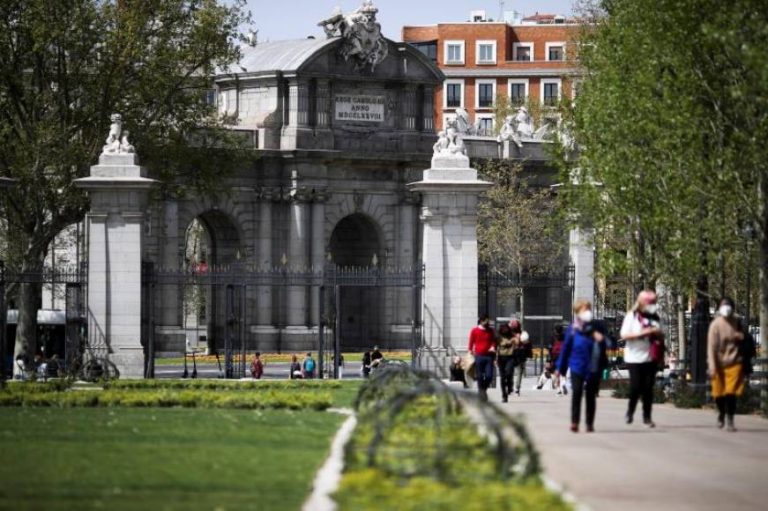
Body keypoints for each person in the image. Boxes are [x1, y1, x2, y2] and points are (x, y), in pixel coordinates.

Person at [557, 299, 608, 433]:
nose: (588, 311)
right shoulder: (572, 329)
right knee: (577, 392)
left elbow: (610, 343)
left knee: (591, 395)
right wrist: (560, 368)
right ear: (578, 311)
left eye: (589, 309)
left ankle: (589, 423)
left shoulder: (597, 327)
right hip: (577, 365)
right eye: (585, 309)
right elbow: (566, 348)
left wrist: (601, 339)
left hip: (593, 365)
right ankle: (575, 422)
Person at [620, 290, 663, 428]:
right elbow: (624, 335)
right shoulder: (631, 316)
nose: (652, 305)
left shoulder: (655, 317)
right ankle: (630, 411)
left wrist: (658, 333)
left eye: (653, 303)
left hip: (650, 357)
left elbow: (662, 334)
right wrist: (644, 332)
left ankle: (647, 417)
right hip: (634, 357)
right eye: (650, 303)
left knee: (648, 388)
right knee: (636, 386)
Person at [708, 297, 747, 431]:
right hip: (718, 364)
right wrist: (712, 366)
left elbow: (745, 337)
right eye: (724, 305)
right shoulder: (715, 325)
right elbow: (711, 347)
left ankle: (730, 419)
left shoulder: (737, 321)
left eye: (728, 305)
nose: (726, 307)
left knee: (731, 393)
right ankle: (721, 413)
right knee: (718, 394)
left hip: (734, 362)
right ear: (719, 308)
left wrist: (741, 336)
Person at [468, 313, 496, 401]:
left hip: (489, 356)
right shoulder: (475, 330)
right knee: (479, 376)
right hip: (479, 355)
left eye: (488, 320)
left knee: (489, 376)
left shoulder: (491, 330)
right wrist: (470, 350)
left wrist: (493, 346)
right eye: (485, 321)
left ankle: (483, 389)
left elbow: (494, 341)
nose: (487, 322)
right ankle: (481, 392)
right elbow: (471, 341)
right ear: (481, 321)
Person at [510, 320, 531, 396]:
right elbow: (528, 344)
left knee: (510, 372)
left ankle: (511, 388)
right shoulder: (523, 334)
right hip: (521, 355)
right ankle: (517, 389)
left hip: (512, 354)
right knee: (519, 372)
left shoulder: (510, 334)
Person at [497, 324, 517, 402]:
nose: (505, 331)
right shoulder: (498, 337)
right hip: (501, 358)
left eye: (506, 329)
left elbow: (517, 341)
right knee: (502, 377)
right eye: (503, 329)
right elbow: (496, 346)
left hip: (510, 357)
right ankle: (504, 395)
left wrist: (515, 340)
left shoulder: (512, 336)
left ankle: (509, 387)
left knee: (508, 373)